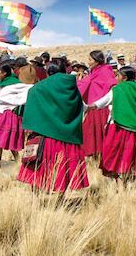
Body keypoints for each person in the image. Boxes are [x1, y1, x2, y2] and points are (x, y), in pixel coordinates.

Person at [17, 63, 89, 193]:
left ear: (48, 73)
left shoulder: (40, 88)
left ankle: (37, 197)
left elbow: (31, 97)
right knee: (63, 171)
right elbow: (83, 107)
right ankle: (61, 199)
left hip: (45, 136)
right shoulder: (73, 89)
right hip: (68, 137)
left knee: (39, 169)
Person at [89, 66, 136, 181]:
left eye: (118, 75)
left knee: (114, 153)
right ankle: (129, 178)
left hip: (118, 128)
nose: (116, 77)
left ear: (125, 78)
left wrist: (89, 107)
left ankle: (118, 178)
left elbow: (103, 102)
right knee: (131, 154)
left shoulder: (118, 89)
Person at [77, 51, 117, 157]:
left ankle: (101, 156)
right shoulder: (93, 72)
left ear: (97, 60)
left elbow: (111, 86)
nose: (88, 62)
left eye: (90, 60)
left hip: (102, 108)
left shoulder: (105, 71)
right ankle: (94, 156)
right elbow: (85, 83)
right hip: (92, 107)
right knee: (90, 133)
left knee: (100, 133)